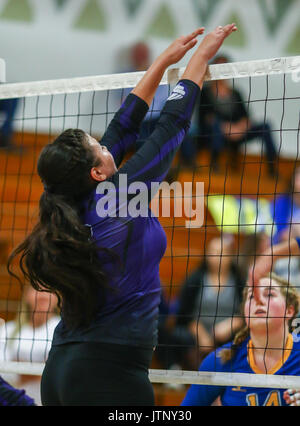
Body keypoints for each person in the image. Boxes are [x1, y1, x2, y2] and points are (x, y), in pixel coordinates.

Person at [7, 24, 238, 406]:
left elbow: (124, 124)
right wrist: (201, 59)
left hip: (64, 372)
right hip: (107, 376)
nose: (104, 142)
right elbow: (172, 125)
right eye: (98, 145)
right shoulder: (118, 194)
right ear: (97, 170)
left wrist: (165, 60)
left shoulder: (73, 195)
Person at [181, 273, 300, 406]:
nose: (259, 300)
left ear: (289, 311)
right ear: (245, 312)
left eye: (269, 294)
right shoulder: (222, 360)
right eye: (251, 296)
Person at [181, 55, 278, 175]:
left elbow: (246, 118)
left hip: (237, 133)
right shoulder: (204, 92)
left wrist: (239, 129)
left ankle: (272, 168)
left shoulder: (236, 93)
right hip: (212, 134)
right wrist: (227, 128)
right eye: (218, 66)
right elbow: (206, 118)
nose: (222, 70)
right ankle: (214, 165)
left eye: (225, 66)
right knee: (215, 126)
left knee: (265, 126)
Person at [174, 235, 244, 368]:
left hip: (228, 335)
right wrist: (200, 334)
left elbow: (246, 312)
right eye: (213, 252)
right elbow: (184, 314)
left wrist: (234, 322)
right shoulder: (195, 279)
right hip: (198, 335)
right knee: (179, 335)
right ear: (206, 255)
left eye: (222, 253)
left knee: (241, 338)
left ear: (230, 256)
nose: (217, 257)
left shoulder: (239, 280)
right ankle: (179, 369)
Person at [0, 286, 59, 406]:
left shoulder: (65, 330)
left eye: (49, 290)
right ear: (26, 295)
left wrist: (27, 371)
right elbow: (2, 369)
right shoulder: (8, 329)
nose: (43, 295)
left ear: (58, 297)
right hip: (16, 400)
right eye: (37, 288)